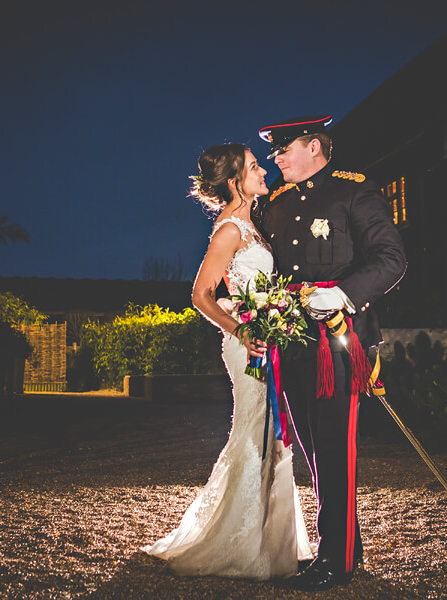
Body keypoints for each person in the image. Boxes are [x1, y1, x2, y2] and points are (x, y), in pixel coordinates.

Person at [143, 143, 313, 580]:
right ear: (236, 180)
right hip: (248, 344)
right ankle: (237, 543)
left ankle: (270, 540)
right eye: (255, 167)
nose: (263, 171)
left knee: (269, 437)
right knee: (253, 435)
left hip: (266, 338)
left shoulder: (253, 225)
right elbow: (200, 296)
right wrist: (242, 329)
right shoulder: (229, 231)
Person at [256, 115, 407, 591]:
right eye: (274, 151)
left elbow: (391, 258)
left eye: (284, 149)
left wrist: (343, 294)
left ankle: (336, 562)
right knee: (314, 450)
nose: (275, 158)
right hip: (291, 341)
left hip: (337, 342)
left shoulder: (353, 192)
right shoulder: (273, 205)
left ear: (315, 147)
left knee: (335, 449)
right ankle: (343, 550)